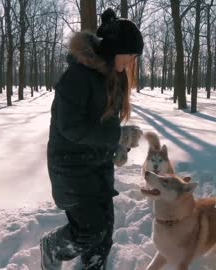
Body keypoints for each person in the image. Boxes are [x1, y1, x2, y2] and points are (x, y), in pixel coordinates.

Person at [40, 8, 144, 270]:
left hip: (97, 164)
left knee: (104, 232)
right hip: (70, 166)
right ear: (115, 49)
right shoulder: (77, 77)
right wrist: (117, 135)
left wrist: (116, 145)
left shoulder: (113, 77)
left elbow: (103, 124)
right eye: (130, 54)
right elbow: (71, 128)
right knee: (89, 231)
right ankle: (52, 246)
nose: (132, 60)